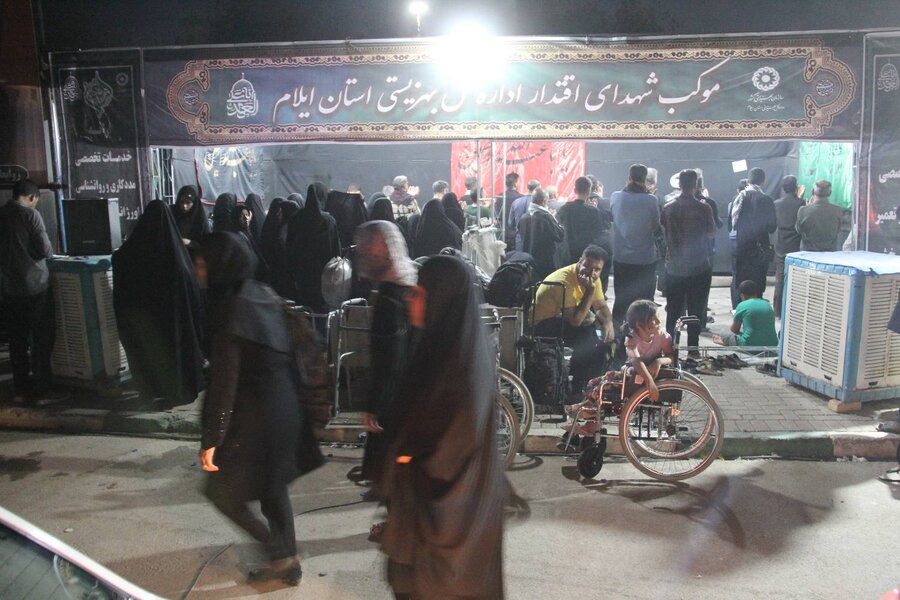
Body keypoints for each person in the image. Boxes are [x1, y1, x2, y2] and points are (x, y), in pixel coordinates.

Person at [197, 232, 323, 587]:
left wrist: (212, 439)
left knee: (220, 491)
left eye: (202, 263)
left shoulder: (231, 310)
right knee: (273, 487)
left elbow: (224, 382)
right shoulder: (263, 293)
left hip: (258, 414)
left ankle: (280, 554)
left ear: (221, 265)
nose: (197, 270)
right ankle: (287, 562)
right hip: (285, 407)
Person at [382, 255, 509, 600]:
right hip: (434, 510)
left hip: (449, 515)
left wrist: (406, 459)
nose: (411, 299)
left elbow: (454, 442)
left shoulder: (459, 365)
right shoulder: (441, 346)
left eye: (420, 293)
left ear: (441, 299)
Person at [112, 200, 206, 408]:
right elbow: (192, 299)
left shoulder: (134, 254)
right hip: (173, 324)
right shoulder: (179, 260)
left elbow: (120, 262)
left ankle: (150, 389)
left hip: (146, 322)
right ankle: (175, 390)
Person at [355, 222, 416, 538]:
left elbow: (390, 358)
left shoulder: (391, 298)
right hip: (405, 397)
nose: (364, 254)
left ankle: (399, 529)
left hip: (394, 403)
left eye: (371, 248)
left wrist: (375, 405)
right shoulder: (405, 287)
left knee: (392, 465)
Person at [0, 179, 60, 405]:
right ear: (32, 197)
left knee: (17, 341)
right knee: (42, 339)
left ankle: (21, 391)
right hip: (36, 286)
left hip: (9, 288)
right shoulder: (31, 215)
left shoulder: (1, 214)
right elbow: (46, 250)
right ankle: (42, 392)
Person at [533, 245, 615, 395]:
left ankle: (592, 385)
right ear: (579, 261)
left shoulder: (593, 279)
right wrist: (590, 290)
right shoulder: (564, 281)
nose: (591, 272)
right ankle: (579, 388)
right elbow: (575, 321)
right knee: (587, 337)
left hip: (564, 319)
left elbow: (601, 307)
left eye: (597, 269)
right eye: (587, 266)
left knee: (603, 337)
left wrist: (608, 323)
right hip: (543, 324)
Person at [661, 169, 716, 351]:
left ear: (679, 184)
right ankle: (693, 348)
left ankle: (670, 348)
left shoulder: (668, 207)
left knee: (673, 309)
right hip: (698, 266)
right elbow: (711, 233)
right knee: (696, 309)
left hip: (674, 266)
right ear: (696, 185)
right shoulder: (704, 208)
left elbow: (663, 229)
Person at [610, 164, 661, 325]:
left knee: (621, 300)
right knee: (645, 302)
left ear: (629, 177)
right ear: (645, 179)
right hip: (645, 259)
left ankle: (617, 334)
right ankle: (643, 332)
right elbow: (655, 227)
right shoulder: (651, 200)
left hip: (621, 258)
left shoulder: (615, 196)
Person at [285, 182, 342, 313]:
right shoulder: (329, 221)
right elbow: (336, 250)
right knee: (322, 312)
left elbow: (290, 249)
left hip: (302, 275)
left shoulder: (295, 219)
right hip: (324, 276)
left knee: (304, 311)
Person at [729, 167, 776, 308]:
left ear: (748, 181)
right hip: (759, 250)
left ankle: (739, 312)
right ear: (763, 181)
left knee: (740, 282)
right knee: (757, 283)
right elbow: (772, 227)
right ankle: (755, 312)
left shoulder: (738, 199)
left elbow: (731, 225)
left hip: (741, 248)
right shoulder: (766, 200)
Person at [557, 176, 608, 292]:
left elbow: (559, 229)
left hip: (567, 252)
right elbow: (598, 233)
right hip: (586, 254)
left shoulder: (565, 208)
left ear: (575, 190)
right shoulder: (593, 211)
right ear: (589, 191)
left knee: (567, 284)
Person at [623, 300, 676, 401]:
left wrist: (659, 362)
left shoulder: (662, 336)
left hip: (655, 371)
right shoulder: (631, 339)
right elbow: (636, 361)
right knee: (632, 375)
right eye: (653, 319)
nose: (659, 322)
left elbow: (670, 355)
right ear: (639, 325)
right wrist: (649, 381)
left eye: (658, 317)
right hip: (637, 371)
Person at [773, 175, 805, 318]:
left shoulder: (777, 204)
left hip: (781, 244)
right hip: (797, 244)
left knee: (780, 278)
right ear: (796, 187)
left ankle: (777, 309)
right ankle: (795, 309)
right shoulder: (802, 203)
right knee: (797, 278)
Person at [518, 187, 566, 281]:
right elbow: (560, 235)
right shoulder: (546, 217)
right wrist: (554, 219)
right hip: (545, 261)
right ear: (544, 201)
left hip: (528, 260)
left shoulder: (523, 217)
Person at [713, 279, 778, 347]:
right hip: (772, 344)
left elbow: (734, 330)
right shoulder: (767, 304)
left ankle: (725, 341)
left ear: (742, 295)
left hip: (749, 345)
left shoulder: (742, 305)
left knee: (724, 331)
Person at [796, 180, 843, 251]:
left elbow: (798, 230)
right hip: (830, 253)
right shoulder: (837, 210)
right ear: (830, 193)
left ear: (812, 192)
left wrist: (808, 208)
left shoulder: (803, 210)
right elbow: (838, 230)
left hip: (808, 254)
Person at [233, 204, 268, 280]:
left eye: (247, 215)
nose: (246, 218)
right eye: (242, 216)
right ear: (236, 218)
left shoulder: (247, 231)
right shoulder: (238, 235)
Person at [496, 172, 524, 248]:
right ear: (516, 184)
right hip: (516, 235)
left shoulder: (499, 197)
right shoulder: (521, 198)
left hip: (502, 233)